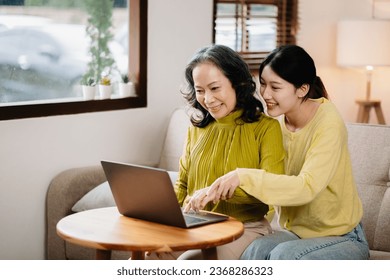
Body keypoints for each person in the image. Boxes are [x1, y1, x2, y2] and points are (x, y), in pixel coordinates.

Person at [186, 45, 370, 260]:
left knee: (283, 257)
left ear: (302, 89)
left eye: (275, 86)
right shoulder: (276, 123)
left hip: (342, 235)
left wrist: (242, 176)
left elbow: (306, 187)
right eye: (263, 84)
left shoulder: (328, 122)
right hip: (294, 233)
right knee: (252, 251)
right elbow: (273, 184)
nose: (265, 94)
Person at [148, 44, 285, 260]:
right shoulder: (197, 128)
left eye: (214, 88)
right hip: (196, 223)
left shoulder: (266, 128)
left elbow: (271, 189)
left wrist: (215, 191)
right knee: (145, 258)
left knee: (187, 264)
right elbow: (183, 185)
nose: (208, 100)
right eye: (200, 90)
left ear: (237, 83)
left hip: (244, 228)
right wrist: (160, 213)